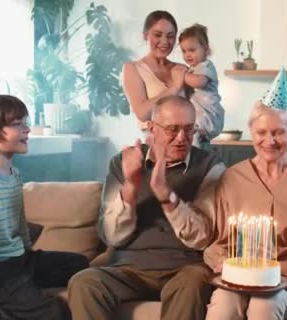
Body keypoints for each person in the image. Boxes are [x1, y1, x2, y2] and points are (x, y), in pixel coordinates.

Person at [67, 95, 226, 320]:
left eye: (189, 129)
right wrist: (131, 185)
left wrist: (165, 194)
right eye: (172, 129)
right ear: (152, 128)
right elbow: (111, 237)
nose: (182, 138)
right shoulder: (121, 163)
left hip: (184, 267)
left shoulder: (211, 166)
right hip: (128, 268)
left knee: (195, 280)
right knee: (85, 282)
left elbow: (201, 236)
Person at [201, 69, 287, 320]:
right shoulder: (232, 178)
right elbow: (219, 239)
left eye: (279, 132)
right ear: (252, 132)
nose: (269, 141)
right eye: (261, 133)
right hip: (239, 276)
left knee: (263, 308)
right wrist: (223, 263)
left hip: (286, 280)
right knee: (222, 307)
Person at [0, 95, 89, 320]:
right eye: (17, 125)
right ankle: (3, 300)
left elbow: (18, 222)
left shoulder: (13, 173)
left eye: (24, 122)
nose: (26, 130)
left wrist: (28, 253)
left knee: (81, 264)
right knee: (54, 312)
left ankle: (16, 295)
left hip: (19, 261)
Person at [122, 10, 188, 133]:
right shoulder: (133, 69)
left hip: (186, 142)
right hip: (156, 146)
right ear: (145, 35)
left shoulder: (181, 69)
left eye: (170, 36)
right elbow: (142, 113)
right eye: (157, 35)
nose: (164, 42)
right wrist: (174, 88)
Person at [178, 23, 224, 147]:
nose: (187, 55)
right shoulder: (194, 68)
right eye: (184, 51)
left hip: (209, 112)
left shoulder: (206, 66)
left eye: (192, 50)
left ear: (206, 49)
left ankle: (195, 153)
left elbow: (199, 82)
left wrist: (184, 75)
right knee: (196, 136)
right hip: (200, 113)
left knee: (195, 135)